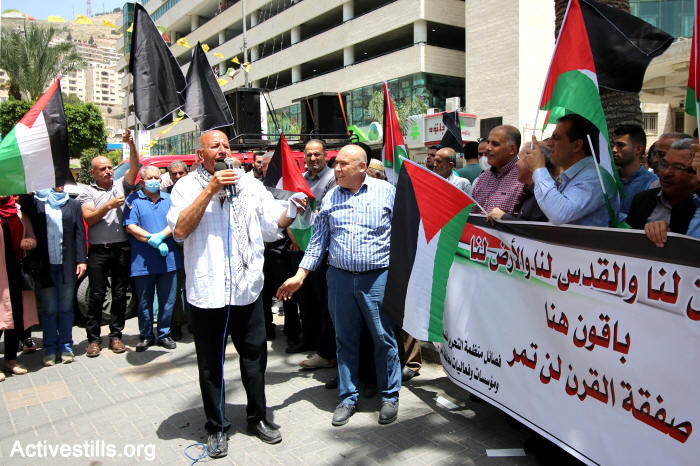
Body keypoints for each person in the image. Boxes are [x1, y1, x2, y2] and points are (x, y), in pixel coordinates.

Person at [167, 130, 304, 456]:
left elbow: (271, 225)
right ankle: (216, 427)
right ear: (200, 155)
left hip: (246, 290)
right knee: (210, 364)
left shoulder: (249, 184)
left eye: (226, 146)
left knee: (255, 357)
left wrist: (291, 210)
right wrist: (211, 190)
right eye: (215, 146)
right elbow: (180, 230)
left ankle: (257, 418)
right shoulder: (185, 187)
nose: (223, 150)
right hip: (208, 292)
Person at [277, 144, 401, 428]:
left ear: (362, 167)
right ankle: (348, 397)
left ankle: (389, 396)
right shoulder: (331, 196)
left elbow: (402, 235)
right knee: (345, 339)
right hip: (340, 278)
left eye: (344, 164)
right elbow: (319, 240)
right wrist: (300, 275)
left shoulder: (387, 192)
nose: (337, 168)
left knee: (383, 338)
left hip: (377, 278)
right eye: (336, 163)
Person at [78, 128, 140, 357]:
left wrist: (131, 144)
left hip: (121, 248)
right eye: (102, 169)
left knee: (120, 293)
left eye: (110, 168)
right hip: (98, 251)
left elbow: (135, 168)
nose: (108, 171)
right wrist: (108, 206)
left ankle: (116, 336)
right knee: (96, 294)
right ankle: (93, 339)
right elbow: (89, 218)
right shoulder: (87, 192)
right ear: (93, 172)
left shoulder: (120, 185)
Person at [124, 166, 183, 352]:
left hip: (168, 260)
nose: (154, 181)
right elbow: (130, 226)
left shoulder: (169, 199)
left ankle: (164, 334)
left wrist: (161, 236)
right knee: (144, 301)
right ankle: (146, 335)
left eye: (157, 178)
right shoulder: (133, 200)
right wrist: (152, 240)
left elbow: (175, 223)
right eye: (150, 178)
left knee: (168, 300)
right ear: (142, 181)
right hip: (143, 261)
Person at [524, 114, 619, 226]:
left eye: (556, 138)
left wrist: (539, 169)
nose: (549, 143)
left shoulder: (595, 177)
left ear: (577, 145)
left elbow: (559, 214)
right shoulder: (575, 175)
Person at [293, 139, 337, 367]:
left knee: (323, 301)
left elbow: (323, 214)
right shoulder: (301, 179)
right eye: (309, 155)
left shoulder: (332, 178)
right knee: (305, 298)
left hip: (324, 249)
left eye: (317, 154)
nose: (313, 158)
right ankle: (308, 339)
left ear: (325, 155)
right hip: (302, 246)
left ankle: (324, 348)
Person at [32, 188, 87, 366]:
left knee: (65, 308)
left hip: (67, 264)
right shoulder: (38, 203)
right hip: (45, 265)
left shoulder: (73, 204)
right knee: (49, 310)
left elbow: (79, 232)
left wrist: (81, 259)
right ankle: (50, 348)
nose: (60, 185)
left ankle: (66, 346)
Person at [627, 139, 699, 246]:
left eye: (678, 167)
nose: (666, 173)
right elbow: (628, 243)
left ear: (696, 172)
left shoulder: (696, 207)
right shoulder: (642, 199)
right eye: (664, 164)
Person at [0, 195, 39, 379]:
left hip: (16, 271)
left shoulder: (18, 211)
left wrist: (29, 242)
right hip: (1, 273)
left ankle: (11, 359)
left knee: (16, 316)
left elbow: (31, 236)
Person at [488, 145, 554, 223]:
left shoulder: (546, 193)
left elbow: (535, 228)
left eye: (520, 158)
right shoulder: (530, 191)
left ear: (532, 162)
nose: (516, 164)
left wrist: (503, 217)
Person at [471, 125, 524, 215]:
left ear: (512, 149)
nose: (488, 148)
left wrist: (504, 218)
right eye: (488, 142)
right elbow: (472, 213)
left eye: (495, 144)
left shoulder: (524, 179)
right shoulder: (483, 178)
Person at [612, 125, 658, 220]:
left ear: (638, 149)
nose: (614, 149)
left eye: (621, 145)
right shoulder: (608, 180)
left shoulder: (652, 184)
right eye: (614, 145)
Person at [165, 160, 189, 341]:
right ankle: (177, 324)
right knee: (174, 288)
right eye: (174, 174)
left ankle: (194, 322)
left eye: (181, 173)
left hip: (193, 247)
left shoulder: (195, 192)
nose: (178, 176)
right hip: (174, 249)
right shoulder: (165, 195)